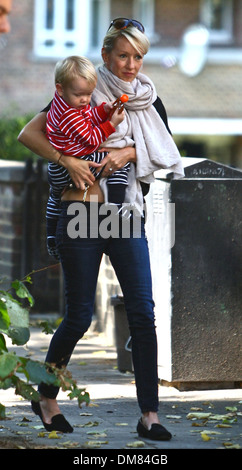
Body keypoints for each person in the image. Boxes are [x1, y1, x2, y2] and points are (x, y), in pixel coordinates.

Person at [18, 18, 184, 440]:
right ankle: (47, 397)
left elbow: (162, 149)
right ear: (107, 55)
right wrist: (66, 160)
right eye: (123, 56)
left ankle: (150, 414)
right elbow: (30, 134)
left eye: (138, 57)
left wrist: (128, 149)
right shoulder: (83, 89)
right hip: (82, 211)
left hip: (124, 212)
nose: (131, 65)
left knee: (143, 314)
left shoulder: (149, 98)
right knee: (78, 316)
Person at [45, 55, 128, 259]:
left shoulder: (63, 104)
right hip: (75, 163)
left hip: (56, 169)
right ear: (60, 88)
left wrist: (102, 110)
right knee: (116, 162)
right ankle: (115, 211)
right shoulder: (69, 115)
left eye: (89, 94)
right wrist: (112, 123)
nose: (85, 100)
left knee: (55, 198)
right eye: (80, 94)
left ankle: (50, 235)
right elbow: (91, 139)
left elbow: (88, 116)